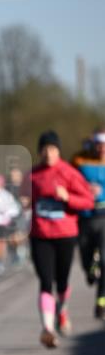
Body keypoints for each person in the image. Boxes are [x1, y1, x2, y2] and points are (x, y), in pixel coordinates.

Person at [20, 131, 94, 347]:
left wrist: (68, 197)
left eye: (52, 148)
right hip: (40, 236)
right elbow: (23, 201)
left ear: (58, 151)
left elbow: (88, 201)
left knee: (61, 282)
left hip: (65, 235)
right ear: (40, 151)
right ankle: (48, 329)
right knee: (45, 281)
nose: (48, 153)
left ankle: (62, 311)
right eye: (44, 149)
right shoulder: (32, 175)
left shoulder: (70, 173)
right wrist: (24, 203)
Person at [73, 127, 105, 319]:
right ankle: (89, 268)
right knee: (85, 254)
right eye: (99, 145)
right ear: (93, 144)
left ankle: (101, 300)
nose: (102, 149)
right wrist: (84, 188)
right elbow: (67, 179)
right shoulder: (79, 159)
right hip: (85, 215)